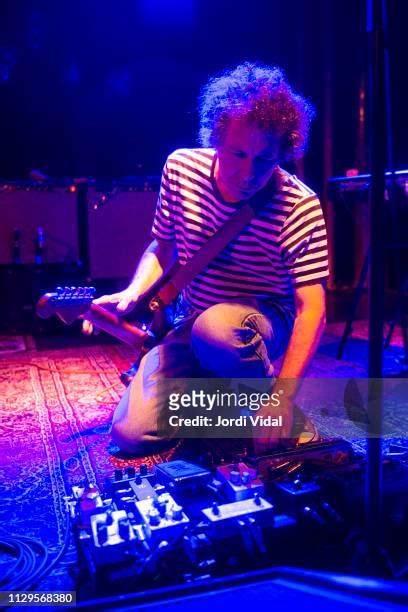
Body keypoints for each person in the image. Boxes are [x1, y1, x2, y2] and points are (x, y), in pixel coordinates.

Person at [83, 62, 329, 455]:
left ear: (284, 151)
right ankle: (230, 402)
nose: (248, 172)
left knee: (217, 331)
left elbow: (311, 310)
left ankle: (269, 408)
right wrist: (132, 293)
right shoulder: (181, 170)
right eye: (238, 154)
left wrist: (282, 397)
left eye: (264, 159)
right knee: (131, 435)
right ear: (215, 137)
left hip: (256, 323)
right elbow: (162, 248)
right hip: (191, 321)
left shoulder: (300, 206)